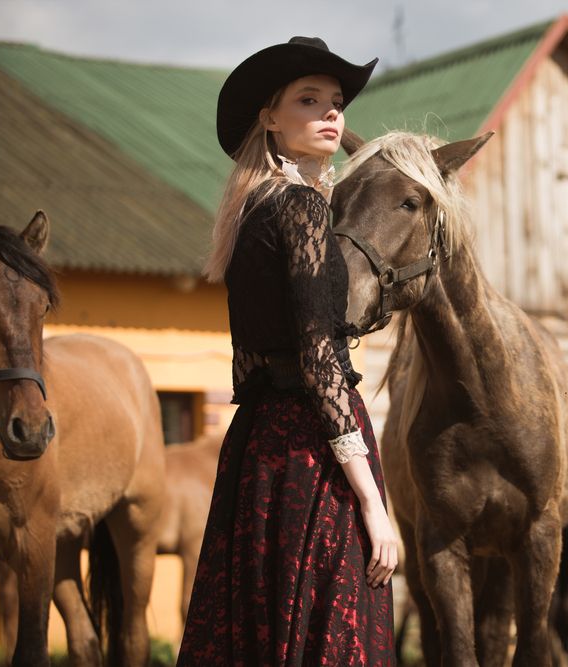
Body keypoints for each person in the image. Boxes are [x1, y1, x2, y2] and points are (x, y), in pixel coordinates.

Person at [177, 37, 396, 666]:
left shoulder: (251, 211)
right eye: (310, 100)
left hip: (258, 456)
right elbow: (319, 360)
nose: (332, 114)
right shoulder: (300, 208)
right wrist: (372, 502)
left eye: (336, 102)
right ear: (270, 118)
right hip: (312, 456)